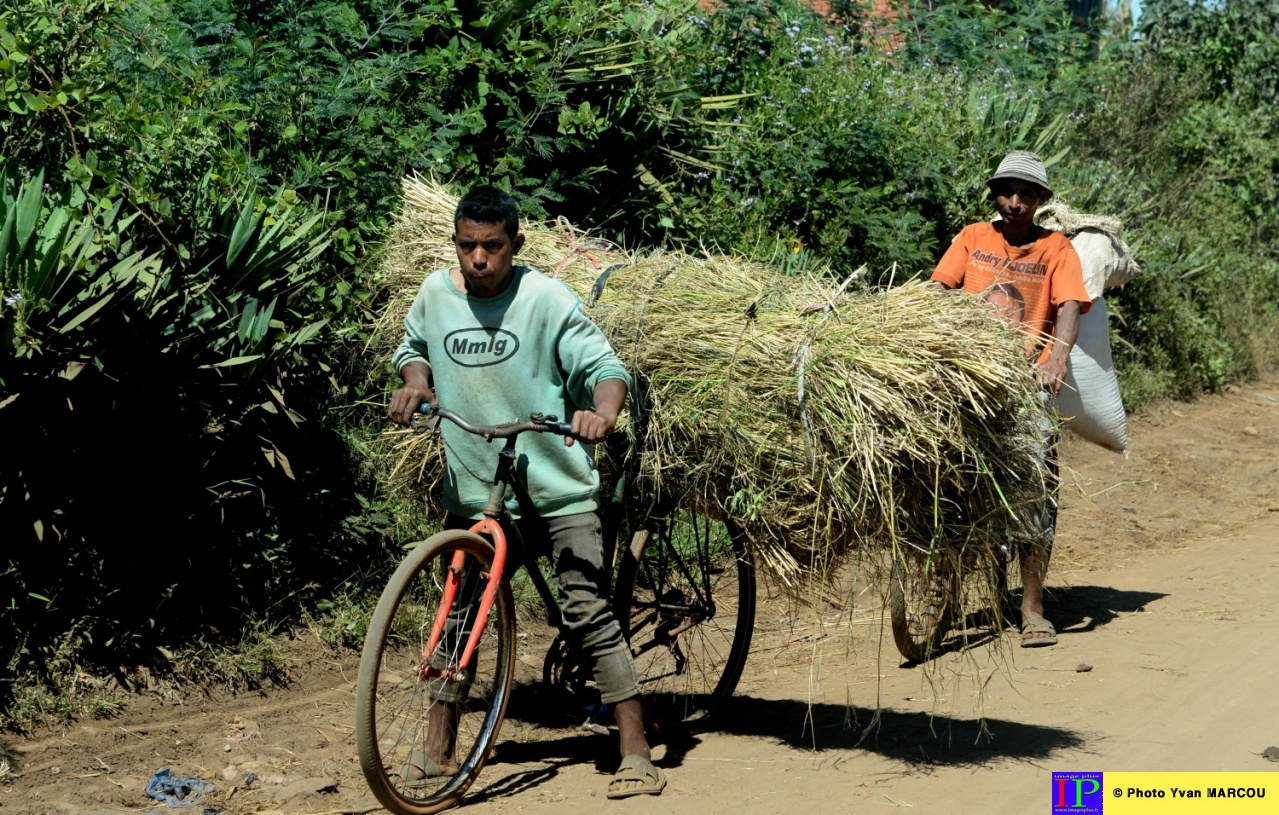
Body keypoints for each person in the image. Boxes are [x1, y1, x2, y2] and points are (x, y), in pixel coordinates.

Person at [387, 185, 665, 797]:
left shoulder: (545, 299)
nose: (478, 259)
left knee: (586, 610)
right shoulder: (436, 294)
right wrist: (415, 384)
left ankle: (637, 752)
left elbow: (604, 367)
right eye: (467, 246)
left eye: (491, 246)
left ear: (516, 243)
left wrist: (601, 413)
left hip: (554, 484)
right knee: (459, 617)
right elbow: (414, 350)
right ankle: (437, 753)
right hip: (477, 489)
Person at [930, 151, 1092, 648]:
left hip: (1025, 384)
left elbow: (1068, 305)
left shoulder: (1055, 249)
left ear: (1042, 200)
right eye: (1006, 192)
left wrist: (1055, 358)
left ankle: (1032, 606)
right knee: (944, 481)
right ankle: (942, 590)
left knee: (1032, 493)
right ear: (994, 195)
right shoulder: (974, 237)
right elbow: (939, 289)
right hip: (968, 379)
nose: (1014, 202)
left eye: (1026, 194)